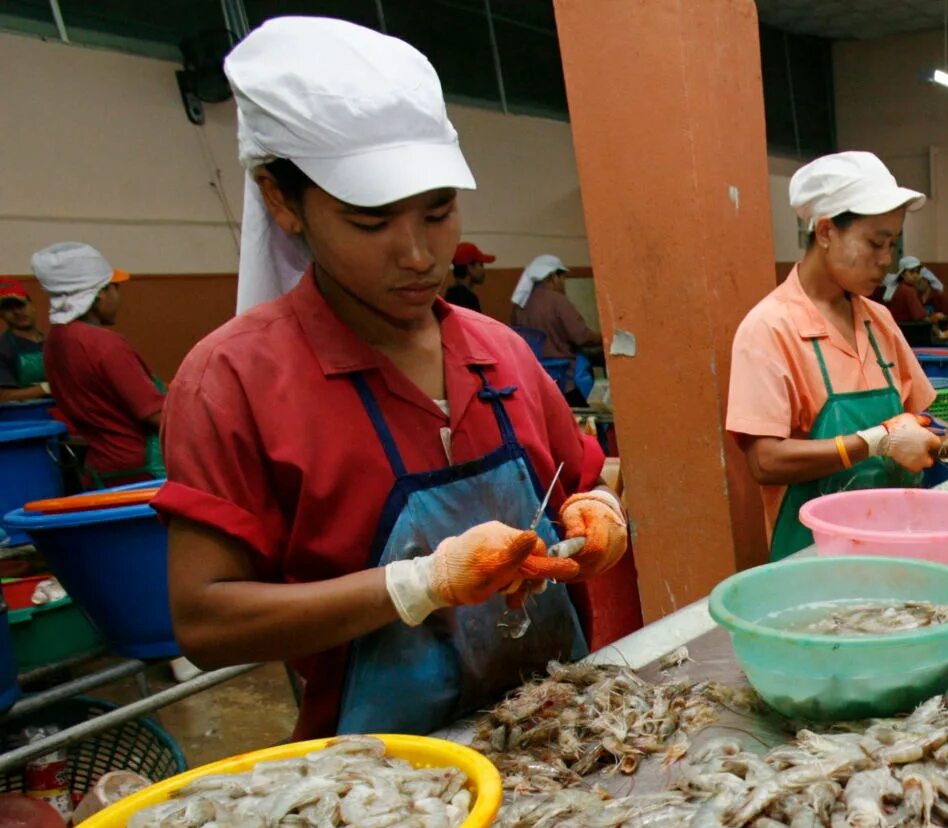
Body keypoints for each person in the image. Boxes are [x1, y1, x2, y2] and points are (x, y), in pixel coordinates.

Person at [155, 17, 626, 739]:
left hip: (559, 729)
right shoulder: (232, 381)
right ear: (281, 201)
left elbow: (589, 478)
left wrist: (599, 511)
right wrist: (417, 585)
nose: (416, 254)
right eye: (370, 223)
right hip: (388, 777)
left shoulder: (498, 351)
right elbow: (206, 619)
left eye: (437, 213)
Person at [727, 152, 948, 561]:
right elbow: (765, 461)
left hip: (901, 540)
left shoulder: (879, 321)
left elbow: (917, 421)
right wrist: (874, 442)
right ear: (825, 231)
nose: (885, 260)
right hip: (819, 556)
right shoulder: (770, 328)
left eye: (892, 244)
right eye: (875, 243)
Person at [30, 243, 166, 485]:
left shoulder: (55, 341)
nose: (118, 297)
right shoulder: (105, 344)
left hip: (99, 470)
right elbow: (154, 414)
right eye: (115, 288)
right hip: (141, 470)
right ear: (99, 293)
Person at [511, 255, 600, 390]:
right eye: (563, 278)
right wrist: (604, 337)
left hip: (534, 377)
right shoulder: (558, 301)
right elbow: (581, 337)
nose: (563, 283)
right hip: (565, 377)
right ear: (553, 277)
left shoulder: (520, 305)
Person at [0, 279, 48, 403]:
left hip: (59, 415)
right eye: (8, 308)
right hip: (22, 417)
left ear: (32, 306)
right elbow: (3, 396)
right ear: (1, 314)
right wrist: (46, 388)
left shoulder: (55, 343)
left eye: (21, 305)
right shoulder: (3, 348)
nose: (17, 312)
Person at [445, 240, 493, 312]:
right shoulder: (468, 300)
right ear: (470, 267)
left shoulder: (450, 296)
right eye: (481, 265)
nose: (483, 270)